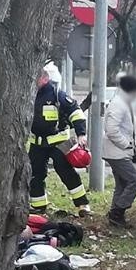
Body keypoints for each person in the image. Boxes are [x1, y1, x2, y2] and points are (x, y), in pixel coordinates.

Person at [28, 62, 91, 217]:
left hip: (58, 142)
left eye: (36, 78)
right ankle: (39, 205)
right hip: (37, 143)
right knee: (35, 174)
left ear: (44, 78)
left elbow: (76, 113)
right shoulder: (29, 94)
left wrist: (81, 133)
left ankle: (83, 204)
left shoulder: (58, 95)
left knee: (65, 172)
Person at [103, 75, 136, 228]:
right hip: (117, 152)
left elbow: (127, 127)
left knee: (122, 183)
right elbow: (112, 130)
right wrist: (126, 144)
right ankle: (117, 212)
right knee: (134, 181)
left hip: (118, 151)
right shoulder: (119, 104)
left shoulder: (123, 103)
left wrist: (133, 141)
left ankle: (116, 217)